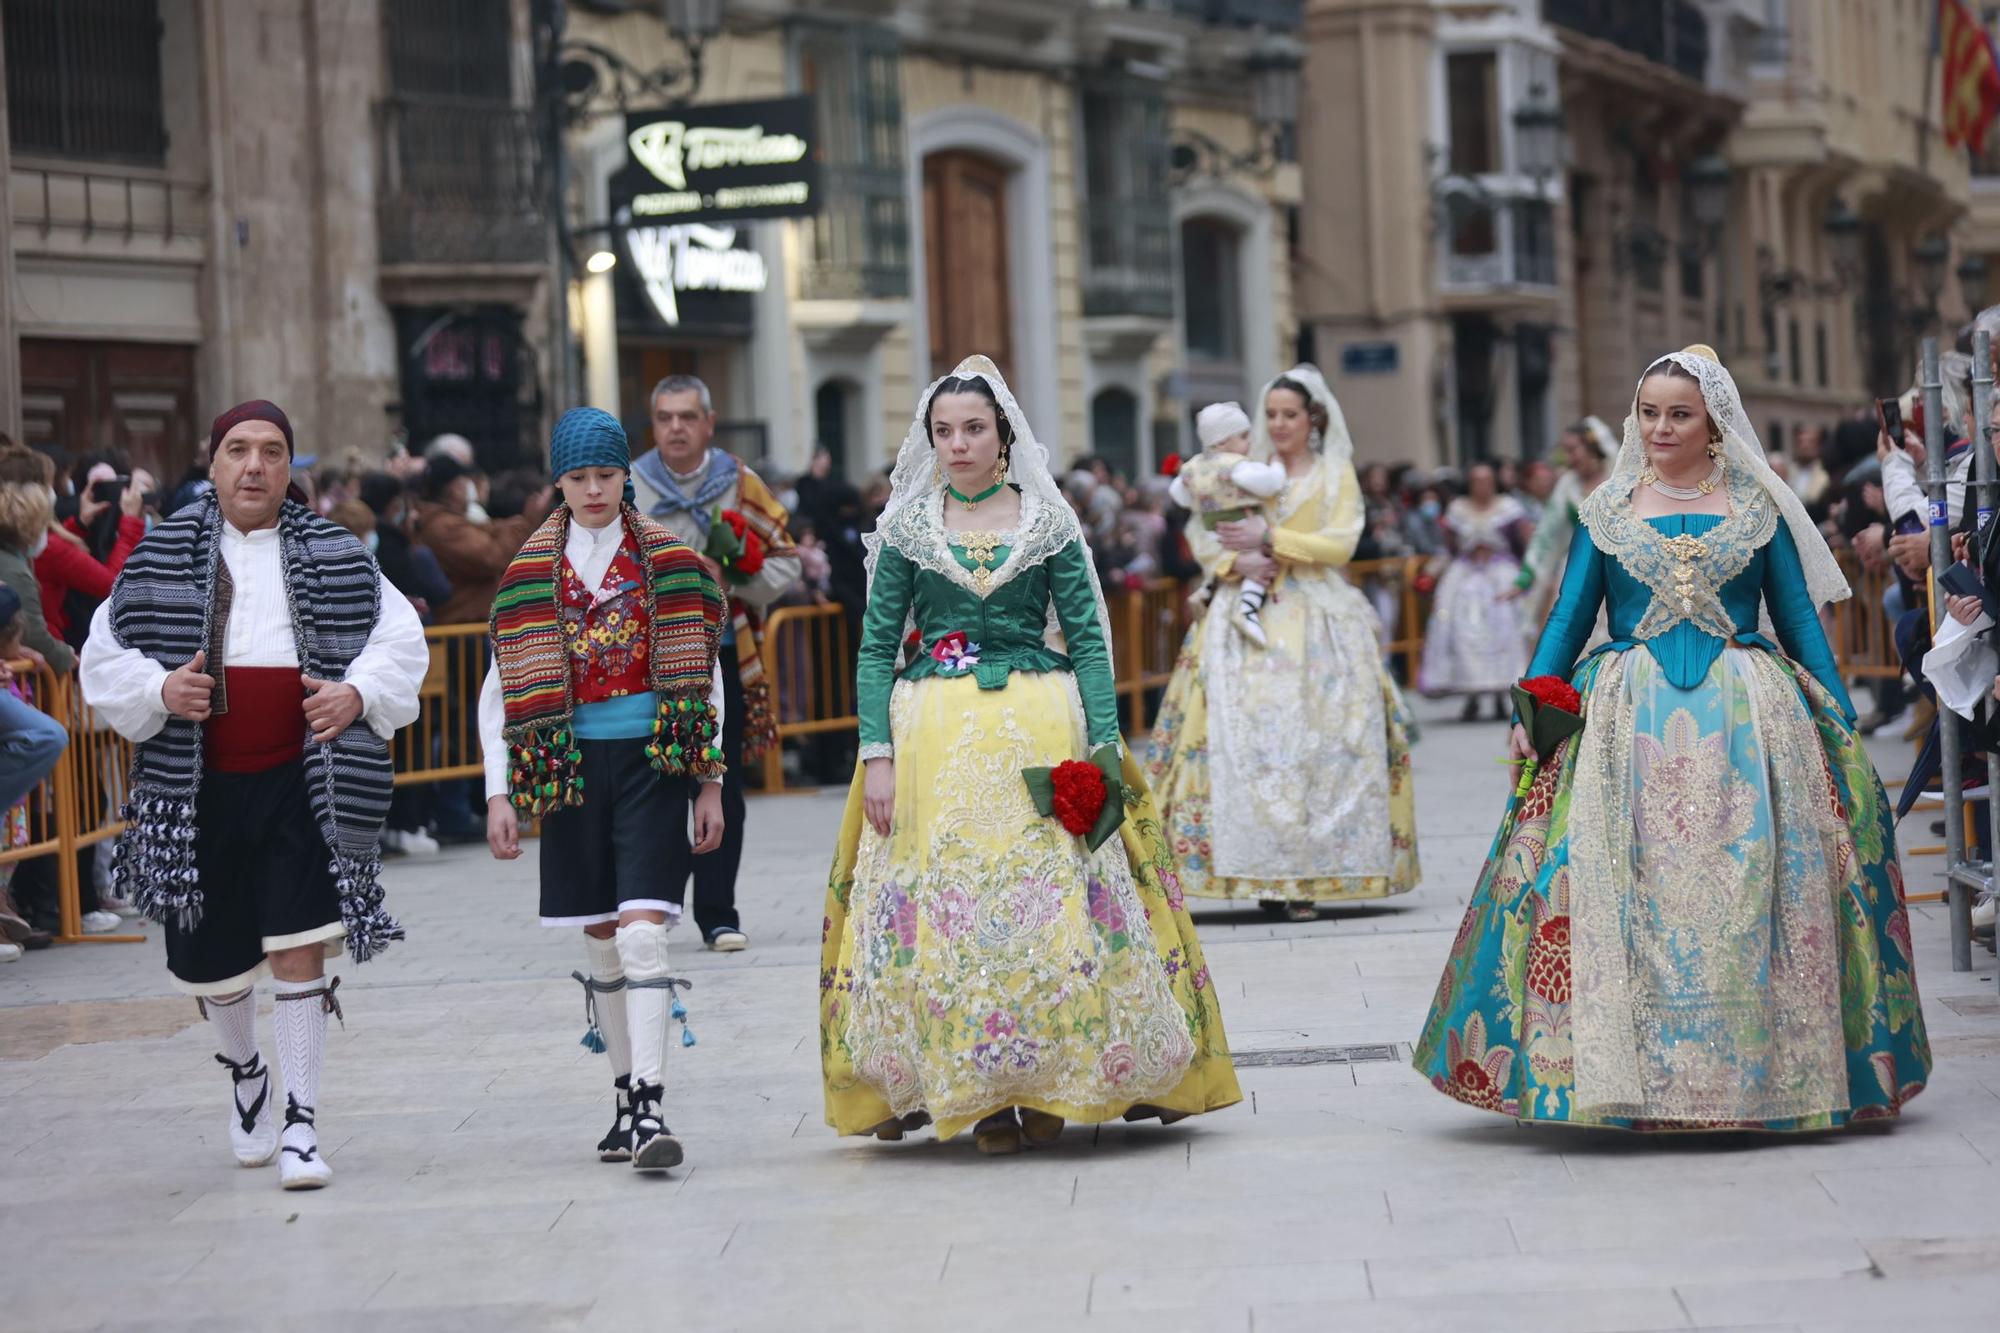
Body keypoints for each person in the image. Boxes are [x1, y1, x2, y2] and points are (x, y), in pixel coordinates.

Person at [1414, 346, 1929, 1131]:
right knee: (1620, 884)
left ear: (1713, 421)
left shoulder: (1758, 505)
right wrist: (1535, 709)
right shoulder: (1607, 508)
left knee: (1749, 885)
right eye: (1649, 411)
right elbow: (1569, 617)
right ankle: (1633, 1075)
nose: (1660, 426)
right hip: (1624, 719)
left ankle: (1753, 1077)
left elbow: (1794, 619)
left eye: (1678, 413)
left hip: (1749, 724)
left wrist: (1836, 716)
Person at [821, 355, 1240, 1154]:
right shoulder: (910, 525)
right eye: (944, 431)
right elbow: (877, 648)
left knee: (1053, 908)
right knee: (952, 914)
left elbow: (1087, 638)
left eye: (974, 428)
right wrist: (876, 751)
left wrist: (1107, 742)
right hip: (933, 738)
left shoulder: (1048, 525)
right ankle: (976, 1097)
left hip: (1043, 727)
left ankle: (1056, 1080)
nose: (958, 444)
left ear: (1004, 436)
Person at [80, 400, 429, 1188]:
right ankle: (247, 1075)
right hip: (195, 789)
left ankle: (303, 1124)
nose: (254, 466)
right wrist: (161, 687)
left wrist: (359, 694)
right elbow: (101, 659)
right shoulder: (160, 554)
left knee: (300, 943)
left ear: (289, 467)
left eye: (272, 451)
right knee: (217, 963)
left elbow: (399, 641)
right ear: (213, 465)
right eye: (238, 450)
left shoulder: (338, 551)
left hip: (302, 779)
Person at [480, 407, 728, 1172]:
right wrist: (498, 793)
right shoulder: (528, 574)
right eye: (578, 476)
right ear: (558, 480)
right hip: (569, 767)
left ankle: (652, 1104)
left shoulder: (669, 560)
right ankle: (625, 1095)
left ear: (627, 475)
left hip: (654, 757)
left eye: (606, 474)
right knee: (601, 935)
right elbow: (500, 689)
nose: (593, 489)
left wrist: (709, 782)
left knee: (644, 927)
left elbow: (706, 675)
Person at [1145, 366, 1421, 922]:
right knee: (1240, 738)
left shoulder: (1333, 472)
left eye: (1289, 414)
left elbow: (1341, 543)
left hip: (1316, 614)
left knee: (1316, 743)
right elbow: (1204, 525)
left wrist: (1272, 539)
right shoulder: (1243, 469)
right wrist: (1232, 559)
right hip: (1241, 610)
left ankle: (1309, 874)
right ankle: (1255, 869)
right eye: (1271, 414)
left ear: (1312, 417)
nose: (1279, 423)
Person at [630, 375, 800, 953]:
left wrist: (737, 577)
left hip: (723, 656)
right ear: (653, 425)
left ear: (709, 422)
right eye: (664, 417)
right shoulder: (629, 485)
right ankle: (654, 906)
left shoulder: (740, 483)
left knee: (720, 787)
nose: (675, 427)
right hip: (647, 665)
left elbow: (788, 563)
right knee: (656, 787)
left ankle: (718, 913)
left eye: (686, 417)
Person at [1419, 462, 1532, 720]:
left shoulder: (1509, 508)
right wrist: (1432, 572)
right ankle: (1471, 696)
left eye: (1487, 480)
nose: (1482, 486)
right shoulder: (1457, 509)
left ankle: (1501, 696)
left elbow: (1525, 544)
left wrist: (1528, 576)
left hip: (1500, 575)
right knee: (1462, 632)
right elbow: (1447, 547)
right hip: (1466, 576)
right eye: (1477, 481)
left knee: (1502, 630)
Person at [1168, 402, 1287, 646]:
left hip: (1213, 529)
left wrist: (1201, 501)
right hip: (1241, 522)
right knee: (1262, 564)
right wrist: (1277, 465)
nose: (1250, 442)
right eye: (1243, 436)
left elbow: (1178, 493)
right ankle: (1247, 607)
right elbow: (1271, 483)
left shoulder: (1193, 467)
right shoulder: (1236, 466)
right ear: (1222, 442)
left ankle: (1207, 588)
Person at [1512, 417, 1615, 613]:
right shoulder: (1567, 486)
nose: (1569, 458)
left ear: (1592, 447)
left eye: (1573, 450)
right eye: (1565, 451)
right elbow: (1546, 534)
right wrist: (1525, 577)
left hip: (1619, 572)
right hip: (1578, 572)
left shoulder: (1620, 480)